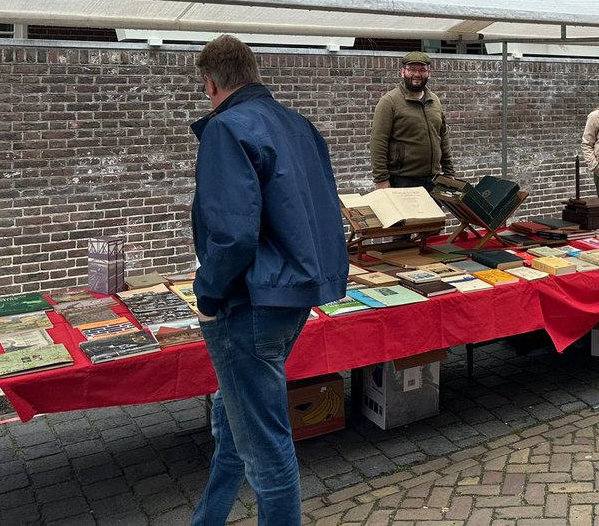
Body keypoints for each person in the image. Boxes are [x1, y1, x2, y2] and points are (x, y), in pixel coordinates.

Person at [190, 35, 348, 526]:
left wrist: (208, 295)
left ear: (211, 83)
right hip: (293, 292)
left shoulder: (226, 128)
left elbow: (233, 233)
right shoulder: (299, 125)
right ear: (253, 71)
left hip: (250, 300)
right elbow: (325, 212)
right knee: (236, 425)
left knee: (264, 445)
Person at [369, 51, 454, 191]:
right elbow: (378, 141)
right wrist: (381, 179)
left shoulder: (434, 100)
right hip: (403, 181)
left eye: (422, 70)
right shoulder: (389, 102)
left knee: (434, 214)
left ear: (429, 73)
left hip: (434, 180)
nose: (417, 74)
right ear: (402, 72)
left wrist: (449, 172)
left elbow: (443, 137)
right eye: (412, 69)